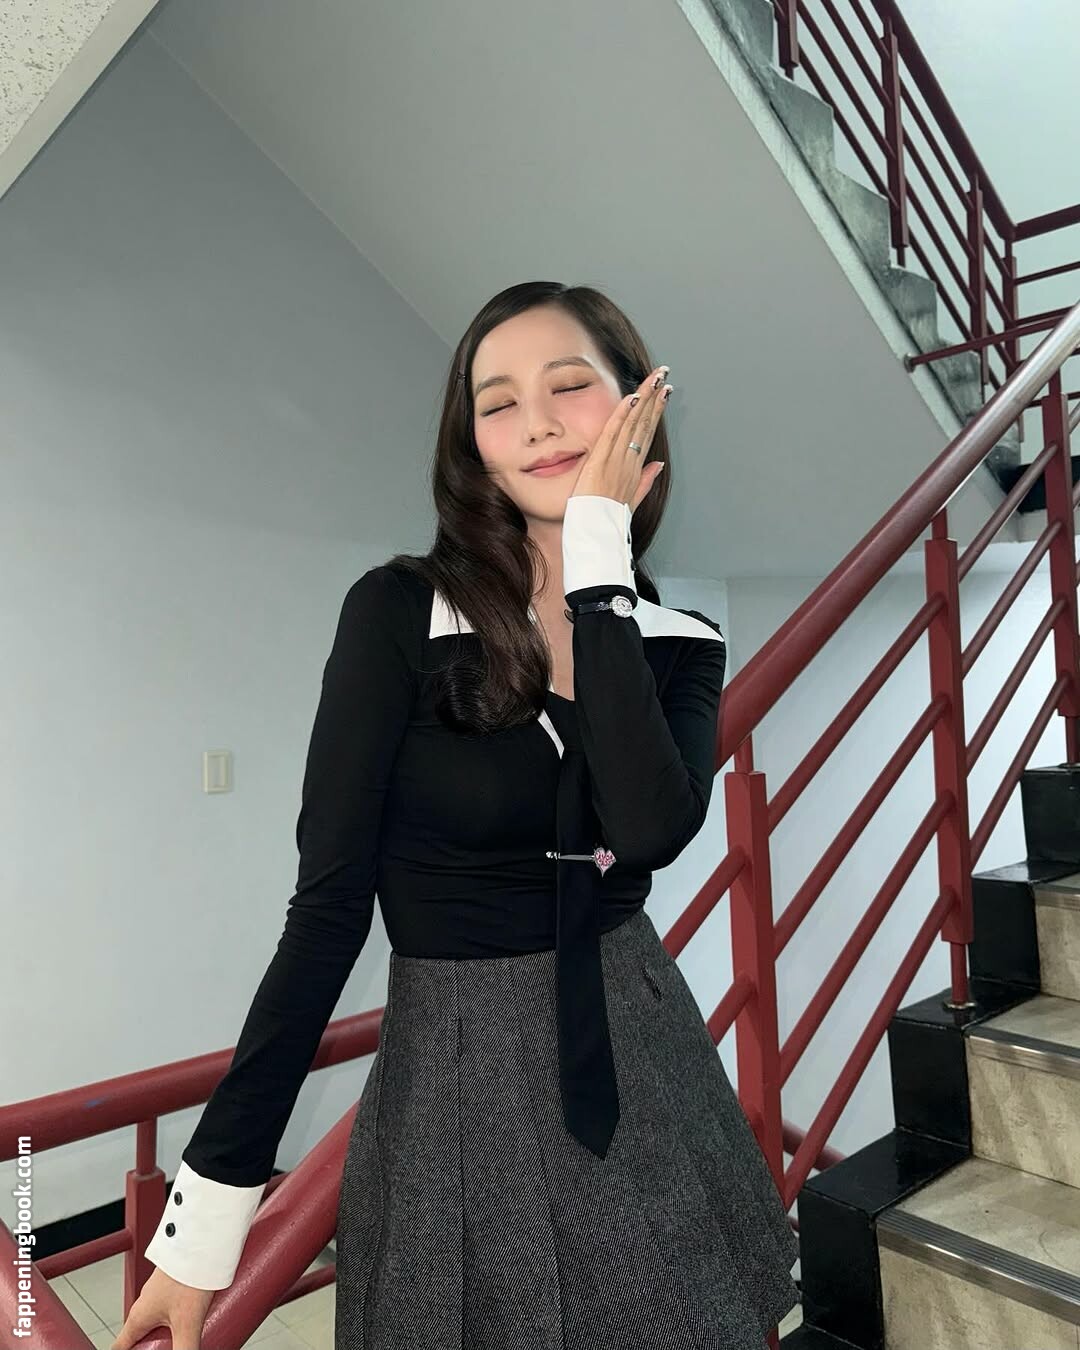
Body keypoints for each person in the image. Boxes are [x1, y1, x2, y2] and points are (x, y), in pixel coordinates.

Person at [111, 282, 800, 1350]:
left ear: (637, 408)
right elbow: (327, 911)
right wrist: (204, 1219)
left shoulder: (681, 641)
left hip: (642, 1050)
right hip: (458, 1070)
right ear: (471, 444)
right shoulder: (397, 612)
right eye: (498, 402)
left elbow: (651, 828)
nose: (538, 423)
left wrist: (600, 567)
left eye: (569, 387)